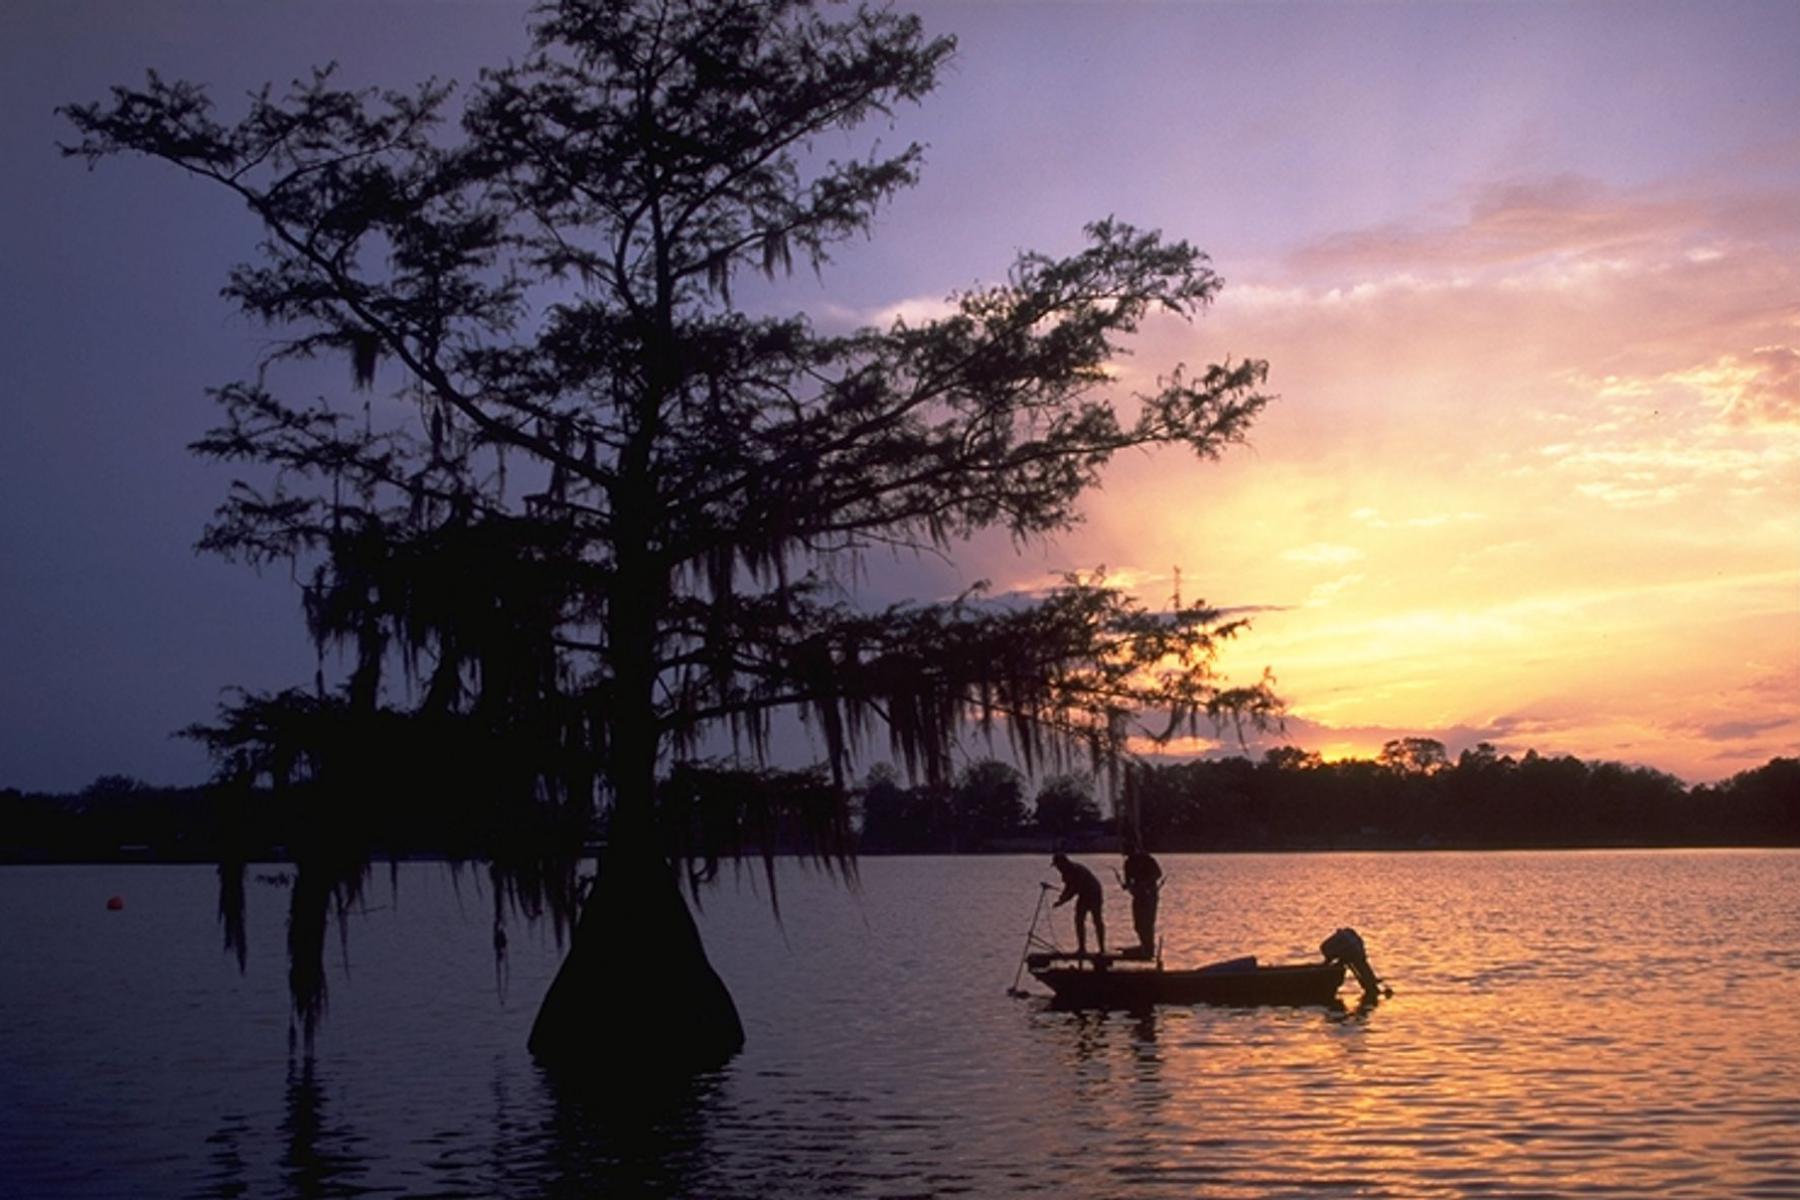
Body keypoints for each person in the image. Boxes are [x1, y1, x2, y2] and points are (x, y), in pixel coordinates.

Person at [1050, 852, 1105, 957]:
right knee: (1078, 920)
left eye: (1058, 865)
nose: (1057, 868)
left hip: (1094, 893)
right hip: (1083, 895)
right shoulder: (1065, 873)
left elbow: (1073, 889)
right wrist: (1061, 899)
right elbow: (1068, 888)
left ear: (1063, 863)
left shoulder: (1076, 870)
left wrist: (1063, 900)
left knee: (1097, 920)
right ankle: (1082, 948)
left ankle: (1102, 949)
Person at [1119, 841, 1163, 955]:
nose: (1129, 856)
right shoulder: (1128, 863)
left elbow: (1158, 873)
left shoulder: (1147, 859)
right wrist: (1127, 886)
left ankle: (1149, 948)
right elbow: (1128, 881)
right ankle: (1144, 945)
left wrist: (1145, 883)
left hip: (1150, 895)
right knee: (1138, 924)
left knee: (1148, 922)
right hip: (1138, 896)